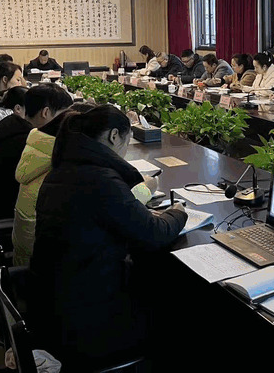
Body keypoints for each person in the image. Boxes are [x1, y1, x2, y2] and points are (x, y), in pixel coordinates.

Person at [29, 105, 187, 368]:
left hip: (55, 305)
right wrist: (178, 213)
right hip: (88, 321)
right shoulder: (100, 178)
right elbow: (155, 233)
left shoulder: (64, 168)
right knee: (173, 312)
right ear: (114, 136)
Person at [12, 102, 161, 267]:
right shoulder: (75, 166)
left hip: (35, 261)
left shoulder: (50, 152)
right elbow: (116, 207)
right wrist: (145, 190)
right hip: (61, 269)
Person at [0, 84, 70, 220]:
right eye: (64, 116)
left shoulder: (12, 130)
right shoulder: (30, 144)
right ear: (45, 113)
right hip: (8, 216)